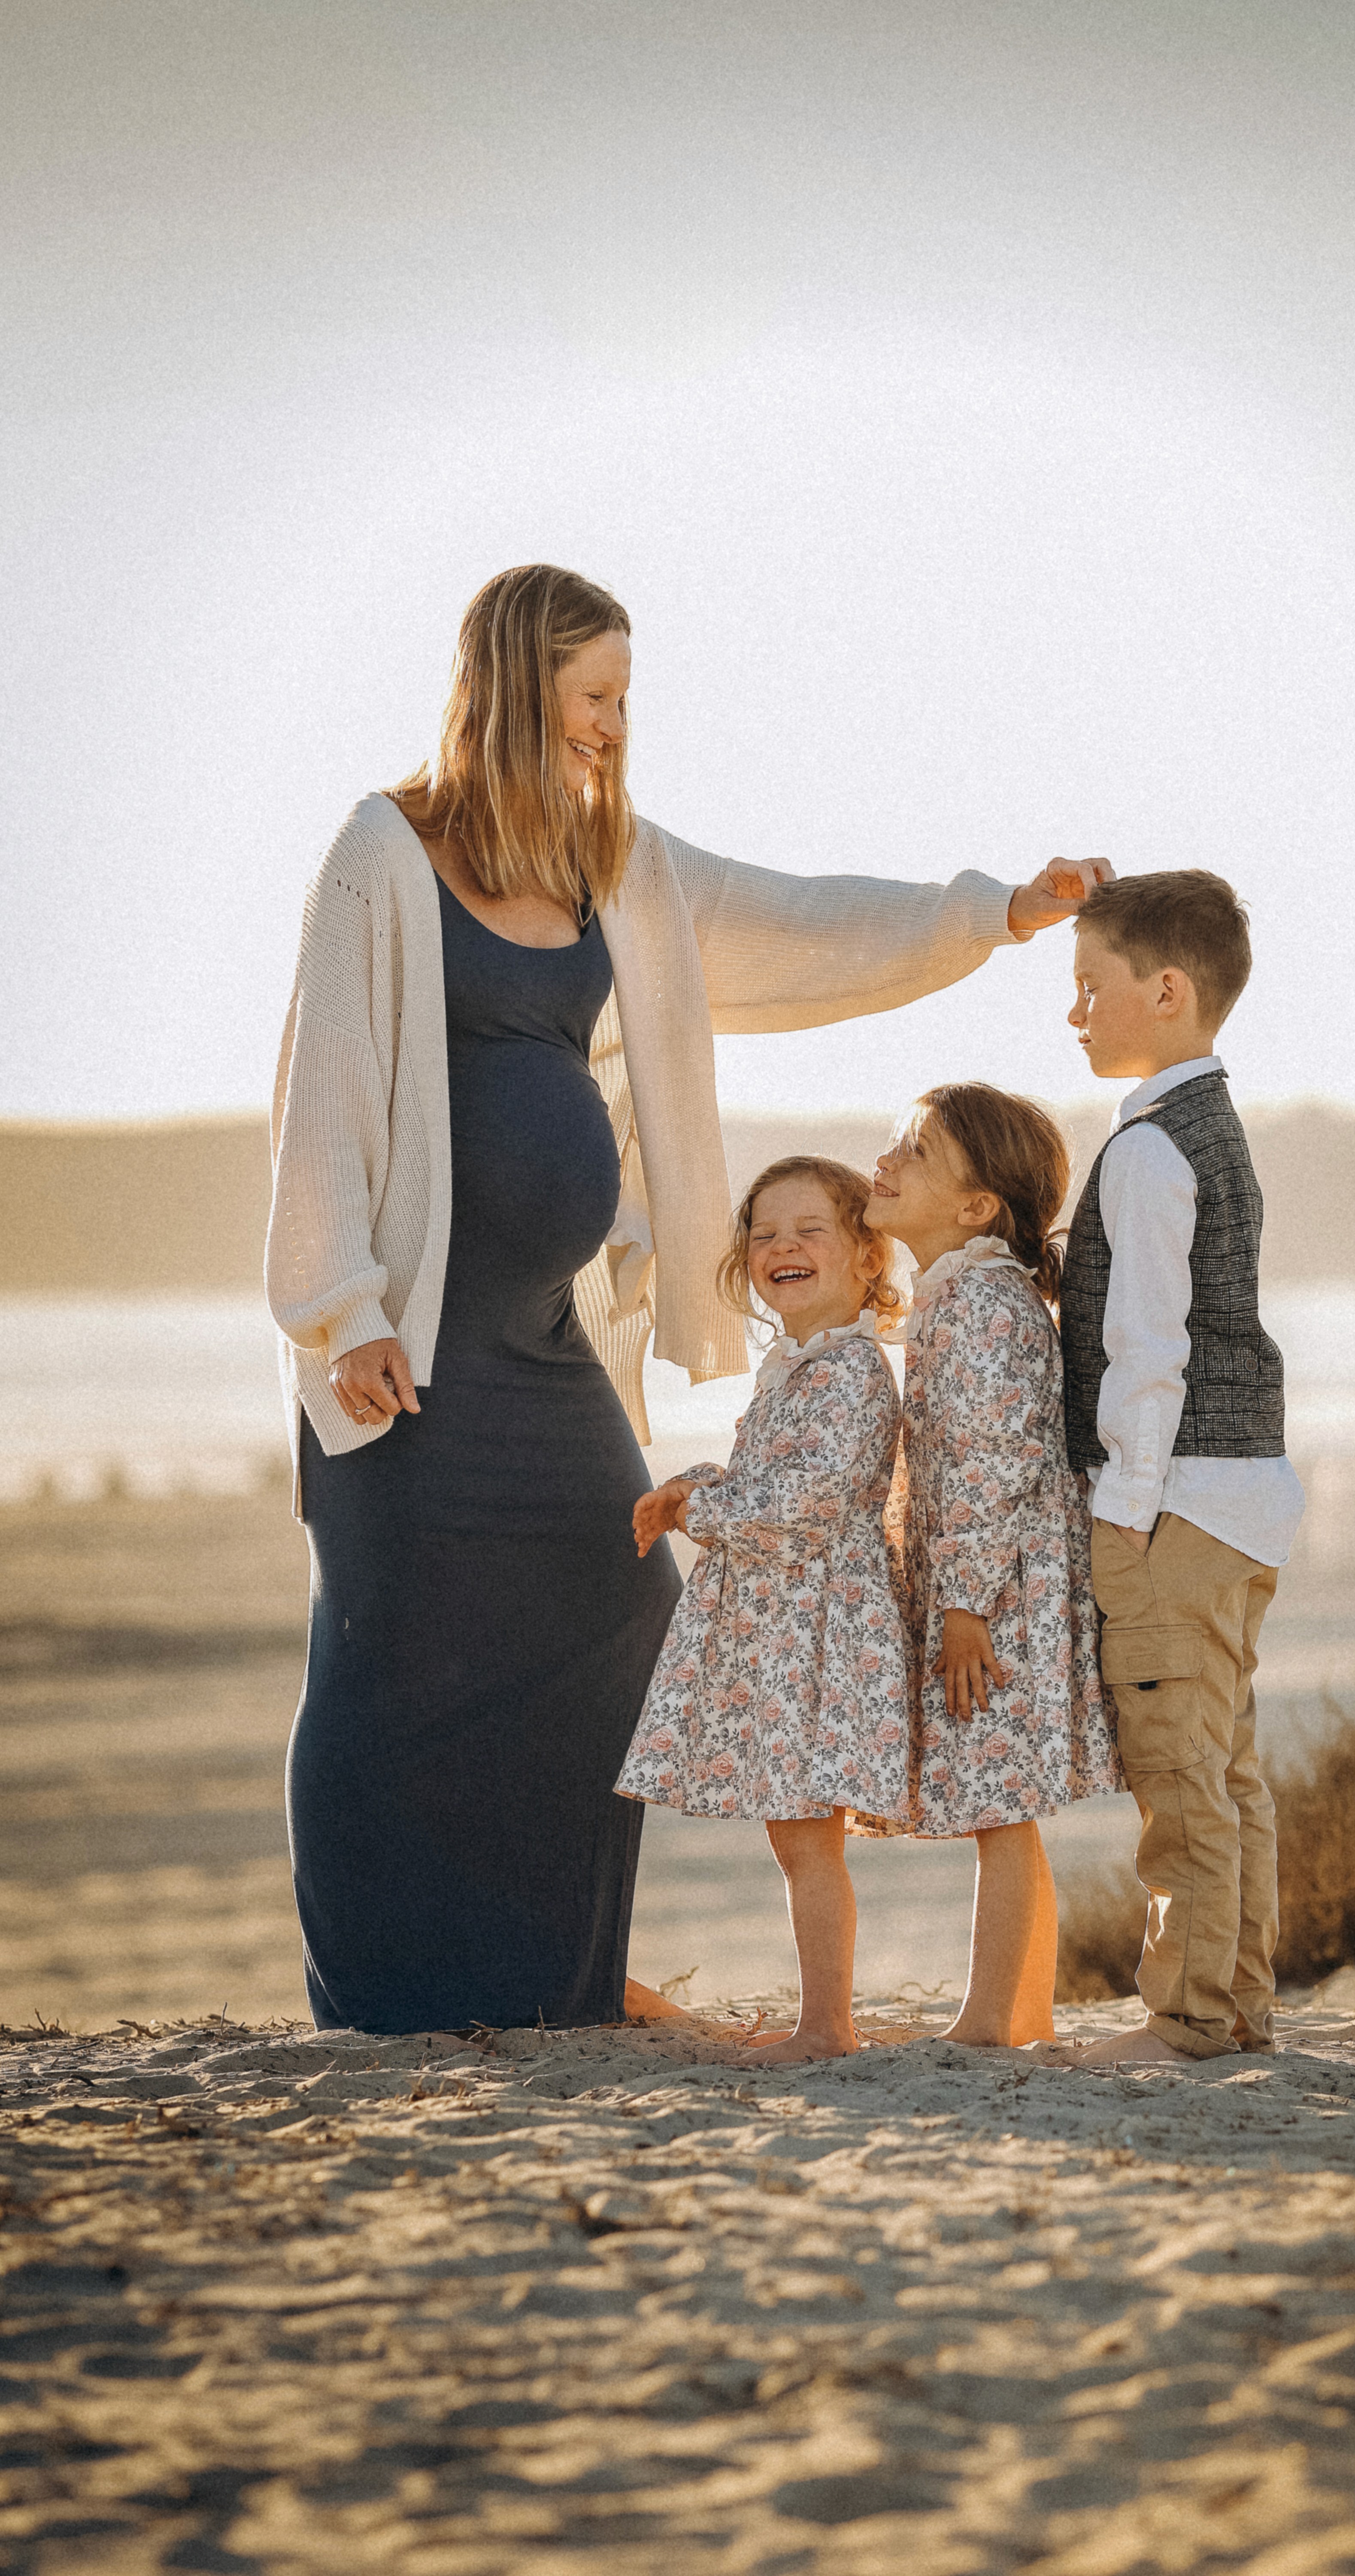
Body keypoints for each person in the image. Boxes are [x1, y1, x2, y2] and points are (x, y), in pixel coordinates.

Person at [266, 561, 1103, 2034]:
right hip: (406, 1350)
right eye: (591, 698)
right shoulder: (381, 855)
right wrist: (346, 1310)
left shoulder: (622, 866)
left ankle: (561, 1977)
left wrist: (996, 916)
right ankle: (385, 1990)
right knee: (387, 1661)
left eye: (622, 701)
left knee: (617, 1616)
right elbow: (323, 1088)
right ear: (516, 686)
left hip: (543, 1346)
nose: (609, 727)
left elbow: (800, 925)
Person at [1058, 872, 1306, 2066]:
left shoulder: (1150, 1150)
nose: (1077, 1016)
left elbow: (1148, 1355)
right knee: (1227, 1768)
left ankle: (1198, 2021)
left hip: (1180, 1504)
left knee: (1178, 1778)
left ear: (1165, 992)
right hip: (1244, 1495)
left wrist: (1122, 1511)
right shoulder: (1212, 1126)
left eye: (1090, 988)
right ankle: (1239, 2002)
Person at [618, 1158, 910, 2063]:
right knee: (797, 1839)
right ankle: (821, 2020)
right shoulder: (797, 1364)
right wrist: (694, 1485)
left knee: (807, 1839)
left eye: (809, 1229)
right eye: (763, 1233)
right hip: (789, 1627)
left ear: (867, 1259)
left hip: (818, 1635)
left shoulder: (851, 1370)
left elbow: (807, 1499)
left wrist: (702, 1511)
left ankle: (826, 2029)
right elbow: (765, 1480)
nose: (781, 1246)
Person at [864, 1084, 1121, 2047]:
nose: (884, 1163)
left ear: (978, 1209)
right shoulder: (962, 1292)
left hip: (997, 1589)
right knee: (1001, 1804)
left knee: (997, 1810)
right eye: (893, 1142)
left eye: (916, 1152)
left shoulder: (978, 1302)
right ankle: (1025, 2014)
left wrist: (962, 1604)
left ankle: (985, 2021)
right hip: (996, 1573)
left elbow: (993, 1458)